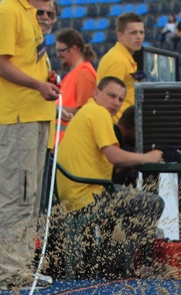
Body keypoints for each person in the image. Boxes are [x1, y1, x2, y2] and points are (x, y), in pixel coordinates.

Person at [56, 76, 165, 278]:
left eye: (120, 99)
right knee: (153, 203)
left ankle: (106, 257)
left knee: (123, 195)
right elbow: (114, 157)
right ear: (96, 93)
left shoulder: (87, 112)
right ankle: (117, 262)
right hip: (88, 194)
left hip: (74, 192)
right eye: (111, 96)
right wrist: (147, 157)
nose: (115, 102)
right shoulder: (99, 113)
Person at [0, 0, 60, 289]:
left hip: (35, 116)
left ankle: (21, 267)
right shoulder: (8, 10)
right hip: (18, 118)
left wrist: (46, 79)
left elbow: (24, 63)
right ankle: (9, 272)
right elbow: (0, 64)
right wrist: (38, 85)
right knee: (17, 196)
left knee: (28, 198)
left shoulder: (29, 14)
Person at [97, 12, 144, 121]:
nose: (139, 36)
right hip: (117, 126)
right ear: (120, 35)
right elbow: (109, 101)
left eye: (141, 32)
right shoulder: (119, 61)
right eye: (133, 33)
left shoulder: (122, 57)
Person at [54, 28, 98, 142]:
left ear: (74, 48)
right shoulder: (74, 73)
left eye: (61, 51)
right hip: (61, 142)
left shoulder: (84, 73)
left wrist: (55, 110)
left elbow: (85, 112)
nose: (58, 55)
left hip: (70, 142)